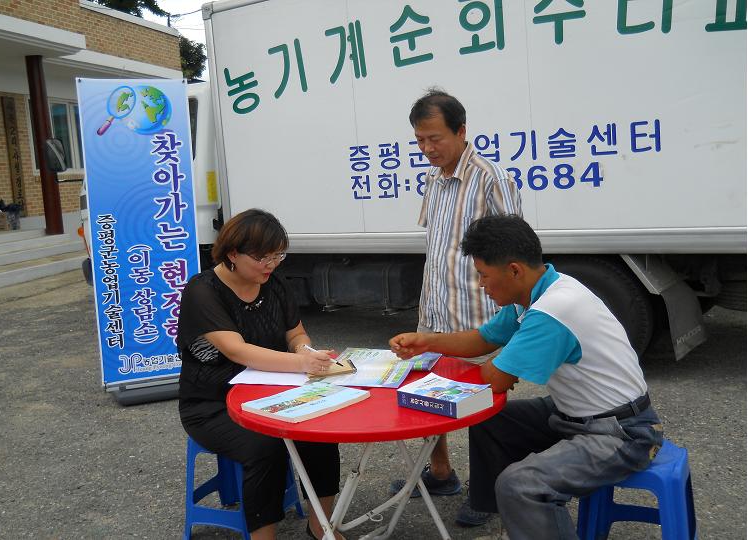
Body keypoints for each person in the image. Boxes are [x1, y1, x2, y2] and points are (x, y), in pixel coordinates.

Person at [389, 215, 663, 538]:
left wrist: (501, 366)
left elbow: (494, 379)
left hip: (621, 433)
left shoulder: (553, 309)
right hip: (575, 414)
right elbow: (483, 339)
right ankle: (501, 514)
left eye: (483, 275)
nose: (481, 285)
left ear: (514, 270)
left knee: (520, 485)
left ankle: (519, 505)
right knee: (487, 418)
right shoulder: (535, 292)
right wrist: (427, 341)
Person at [391, 88, 522, 511]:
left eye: (435, 138)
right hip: (435, 308)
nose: (427, 149)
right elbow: (439, 245)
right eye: (420, 141)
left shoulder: (491, 178)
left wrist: (512, 315)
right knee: (428, 393)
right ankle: (441, 473)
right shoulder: (433, 179)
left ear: (462, 131)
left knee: (488, 403)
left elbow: (512, 252)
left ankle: (491, 495)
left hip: (480, 314)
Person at [178, 209, 343, 540]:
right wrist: (301, 365)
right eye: (262, 257)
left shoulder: (274, 282)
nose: (271, 264)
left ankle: (322, 526)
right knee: (264, 445)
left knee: (319, 433)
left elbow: (296, 334)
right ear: (232, 253)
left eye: (277, 255)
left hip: (271, 391)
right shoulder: (203, 290)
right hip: (214, 403)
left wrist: (305, 352)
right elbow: (237, 351)